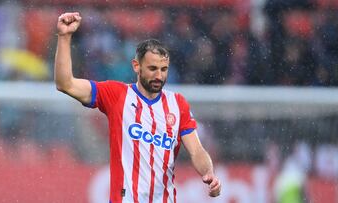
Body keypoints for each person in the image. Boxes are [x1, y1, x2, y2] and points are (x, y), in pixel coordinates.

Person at [54, 12, 221, 203]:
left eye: (163, 69)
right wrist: (65, 37)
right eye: (152, 69)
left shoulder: (178, 104)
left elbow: (196, 150)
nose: (159, 76)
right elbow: (65, 84)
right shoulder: (117, 95)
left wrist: (209, 173)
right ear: (136, 66)